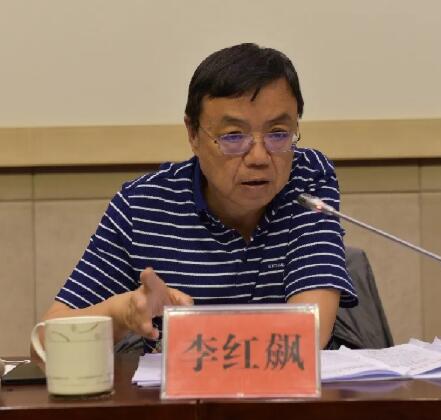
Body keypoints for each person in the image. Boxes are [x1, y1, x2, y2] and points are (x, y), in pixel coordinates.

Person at [34, 43, 357, 357]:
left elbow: (308, 333)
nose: (259, 157)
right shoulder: (143, 206)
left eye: (278, 134)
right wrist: (122, 314)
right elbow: (46, 344)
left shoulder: (307, 178)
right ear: (192, 134)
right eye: (233, 136)